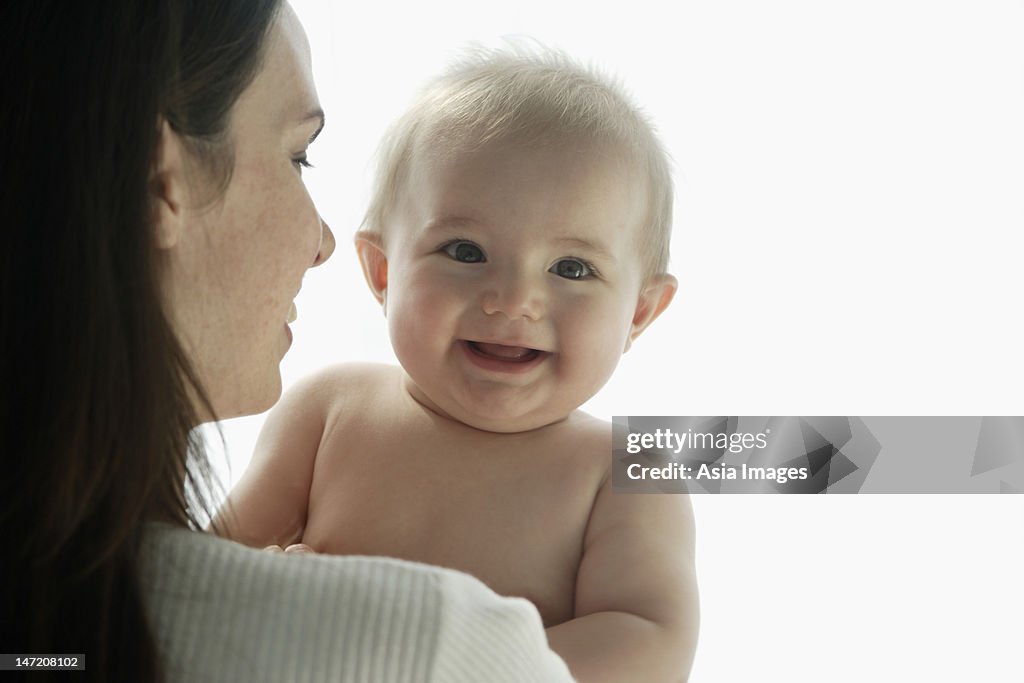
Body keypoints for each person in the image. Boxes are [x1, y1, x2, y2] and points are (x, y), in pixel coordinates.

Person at [1, 2, 575, 681]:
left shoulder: (632, 462)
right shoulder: (429, 642)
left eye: (573, 267)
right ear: (161, 183)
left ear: (644, 311)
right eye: (298, 154)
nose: (322, 242)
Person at [217, 48, 700, 682]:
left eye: (572, 268)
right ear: (383, 272)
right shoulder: (328, 409)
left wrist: (437, 661)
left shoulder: (623, 473)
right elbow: (204, 570)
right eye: (465, 250)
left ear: (639, 313)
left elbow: (650, 643)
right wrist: (275, 587)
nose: (513, 300)